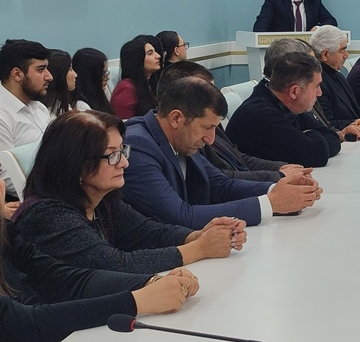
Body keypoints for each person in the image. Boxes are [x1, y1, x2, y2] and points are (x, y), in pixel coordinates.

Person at [14, 111, 245, 274]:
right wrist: (200, 248)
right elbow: (115, 265)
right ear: (76, 164)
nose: (124, 163)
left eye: (122, 150)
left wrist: (198, 235)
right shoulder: (47, 217)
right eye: (112, 155)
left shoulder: (101, 199)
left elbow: (146, 232)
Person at [0, 215, 196, 342]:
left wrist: (148, 283)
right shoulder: (47, 215)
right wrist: (137, 301)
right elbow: (22, 324)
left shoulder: (5, 229)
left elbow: (61, 279)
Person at [124, 74, 319, 228]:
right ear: (176, 118)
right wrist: (270, 203)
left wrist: (277, 188)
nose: (210, 140)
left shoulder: (181, 136)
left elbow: (219, 184)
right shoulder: (137, 146)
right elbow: (178, 216)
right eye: (206, 127)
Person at [159, 61, 296, 183]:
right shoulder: (185, 140)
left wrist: (280, 167)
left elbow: (238, 157)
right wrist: (277, 176)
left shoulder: (209, 120)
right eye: (206, 93)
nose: (214, 98)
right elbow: (218, 180)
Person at [227, 52, 343, 165]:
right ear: (294, 91)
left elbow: (332, 137)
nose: (319, 93)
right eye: (316, 86)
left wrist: (308, 135)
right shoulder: (261, 115)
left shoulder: (292, 105)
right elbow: (317, 155)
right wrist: (311, 134)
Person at [0, 39, 53, 196]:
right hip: (30, 198)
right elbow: (6, 175)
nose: (49, 76)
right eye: (41, 69)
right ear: (17, 74)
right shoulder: (3, 116)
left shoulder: (38, 107)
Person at [109, 34, 160, 119]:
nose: (158, 56)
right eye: (150, 53)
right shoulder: (126, 89)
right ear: (137, 59)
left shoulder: (148, 83)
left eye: (155, 51)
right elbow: (123, 124)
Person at [72, 47, 112, 113]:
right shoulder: (82, 107)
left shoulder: (103, 91)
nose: (107, 78)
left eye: (106, 72)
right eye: (103, 73)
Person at [42, 49, 77, 118]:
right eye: (70, 69)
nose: (75, 74)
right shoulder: (48, 114)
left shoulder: (61, 106)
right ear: (59, 74)